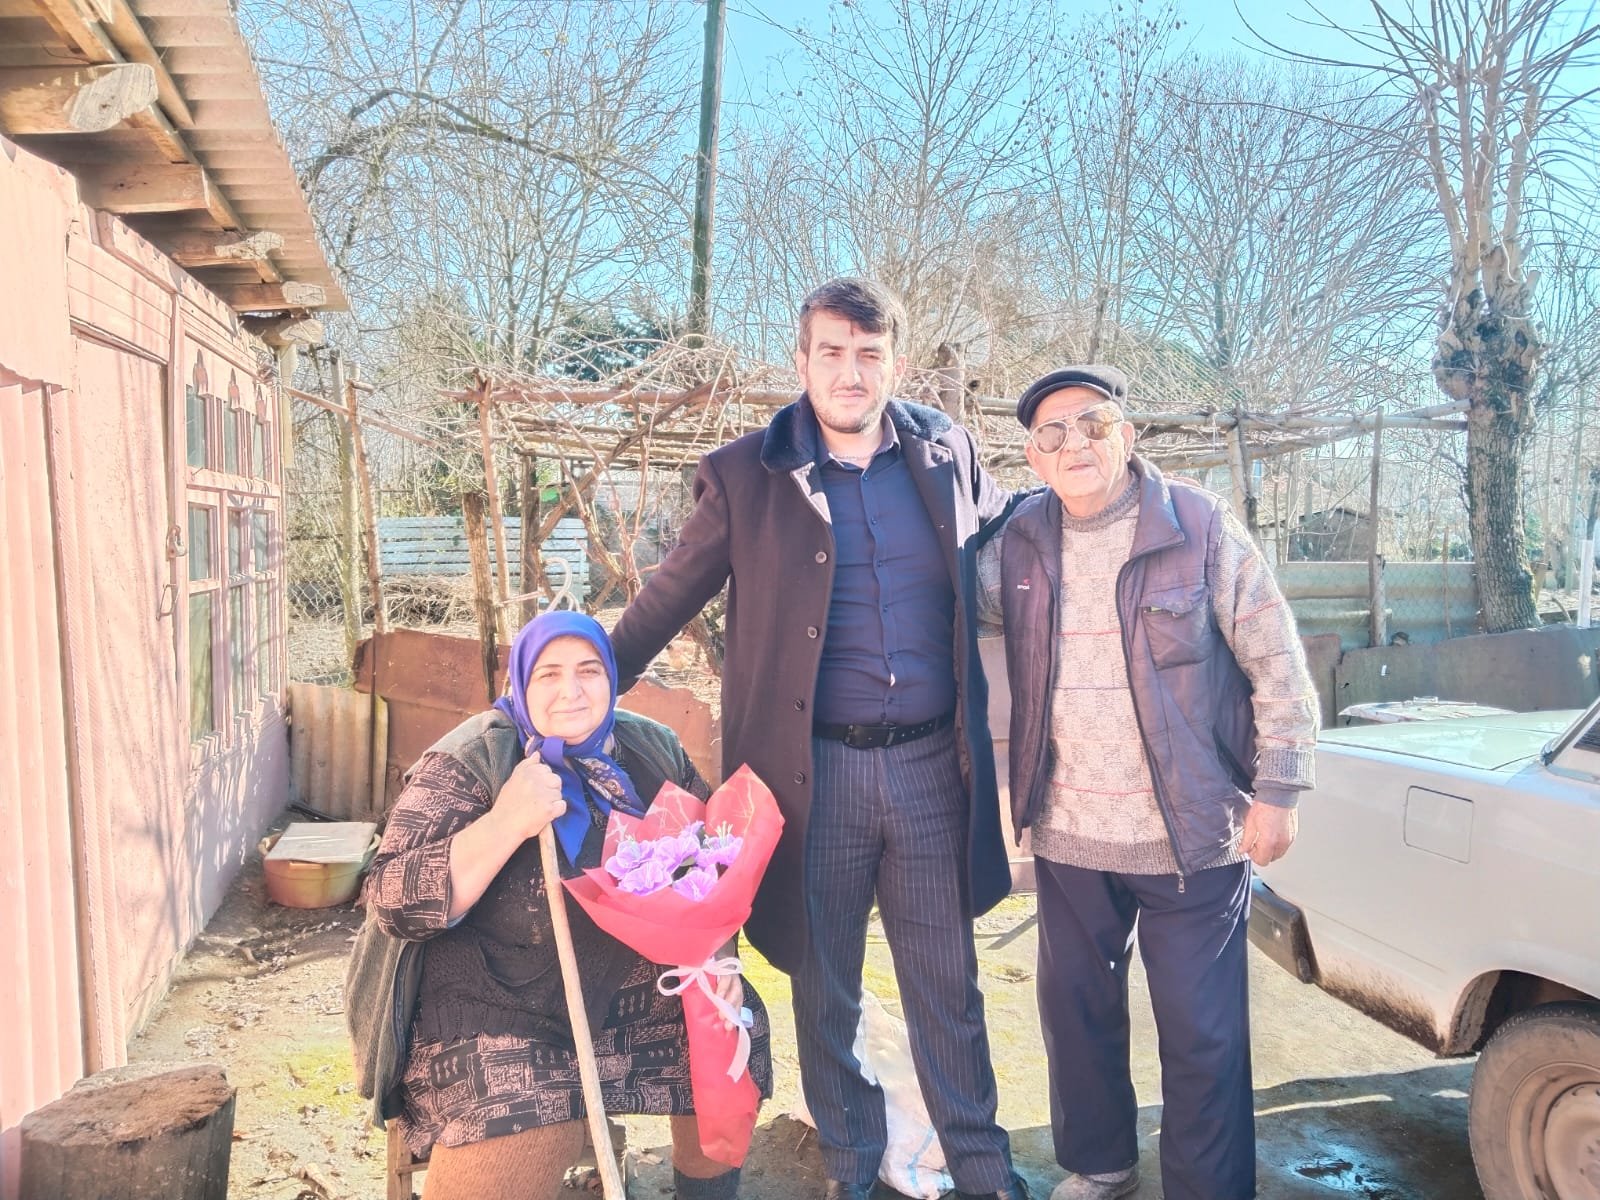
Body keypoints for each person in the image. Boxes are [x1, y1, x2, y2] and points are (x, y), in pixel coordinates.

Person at [609, 277, 1028, 1200]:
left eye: (869, 354)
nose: (850, 372)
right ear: (801, 362)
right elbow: (666, 596)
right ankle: (852, 1166)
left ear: (895, 364)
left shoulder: (946, 452)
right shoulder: (746, 476)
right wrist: (578, 683)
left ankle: (983, 1168)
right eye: (831, 352)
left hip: (929, 766)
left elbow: (1019, 534)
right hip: (811, 777)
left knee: (946, 984)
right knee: (823, 982)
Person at [978, 365, 1320, 1200]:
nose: (1075, 443)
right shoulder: (1016, 542)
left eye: (1093, 424)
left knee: (1203, 1034)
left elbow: (1276, 658)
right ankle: (1101, 1163)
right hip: (1069, 832)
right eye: (1053, 433)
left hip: (1192, 833)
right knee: (1075, 1014)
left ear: (1127, 436)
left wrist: (1279, 787)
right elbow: (942, 600)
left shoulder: (1198, 526)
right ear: (1035, 458)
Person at [365, 611, 772, 1200]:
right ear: (521, 682)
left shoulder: (650, 747)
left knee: (727, 1031)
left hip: (630, 986)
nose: (571, 691)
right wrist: (506, 821)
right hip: (496, 997)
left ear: (611, 677)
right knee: (529, 1116)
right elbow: (391, 901)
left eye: (588, 670)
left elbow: (710, 864)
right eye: (549, 674)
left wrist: (717, 955)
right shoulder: (471, 760)